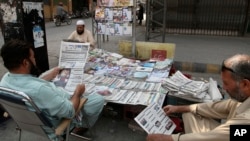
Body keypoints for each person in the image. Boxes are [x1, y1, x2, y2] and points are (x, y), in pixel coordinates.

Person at [0, 39, 105, 140]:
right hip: (55, 124)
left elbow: (29, 84)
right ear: (25, 63)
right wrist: (78, 92)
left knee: (54, 72)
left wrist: (50, 75)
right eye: (32, 57)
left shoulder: (4, 81)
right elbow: (69, 111)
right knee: (99, 99)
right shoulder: (40, 90)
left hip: (27, 122)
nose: (34, 60)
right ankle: (81, 125)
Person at [147, 54, 250, 141]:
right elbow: (219, 107)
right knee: (189, 113)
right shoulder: (243, 98)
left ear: (245, 84)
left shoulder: (246, 120)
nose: (224, 87)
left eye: (226, 83)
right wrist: (178, 108)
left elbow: (214, 136)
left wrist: (171, 138)